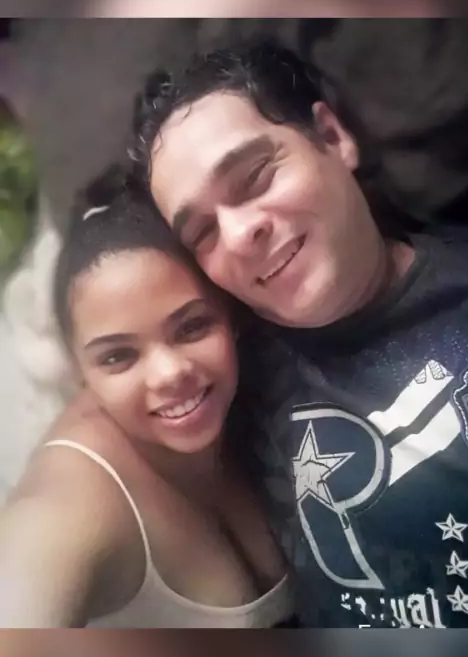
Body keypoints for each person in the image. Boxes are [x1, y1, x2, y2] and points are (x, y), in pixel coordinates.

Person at [132, 38, 468, 629]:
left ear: (333, 137)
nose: (238, 235)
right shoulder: (227, 373)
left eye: (255, 177)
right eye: (202, 233)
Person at [0, 165, 292, 628]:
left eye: (192, 327)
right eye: (118, 356)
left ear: (230, 317)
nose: (169, 373)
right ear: (79, 373)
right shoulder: (76, 505)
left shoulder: (261, 388)